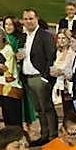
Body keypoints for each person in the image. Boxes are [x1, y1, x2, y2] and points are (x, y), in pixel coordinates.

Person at [18, 9, 59, 142]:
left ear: (36, 19)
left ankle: (53, 136)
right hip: (28, 77)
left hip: (40, 77)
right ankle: (44, 135)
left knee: (46, 107)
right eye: (26, 19)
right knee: (38, 109)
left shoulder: (44, 35)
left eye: (31, 18)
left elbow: (51, 56)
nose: (28, 21)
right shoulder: (23, 37)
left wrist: (45, 77)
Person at [0, 25, 25, 130]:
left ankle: (18, 136)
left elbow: (4, 67)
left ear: (3, 36)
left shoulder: (7, 49)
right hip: (1, 88)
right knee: (7, 117)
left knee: (13, 118)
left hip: (10, 88)